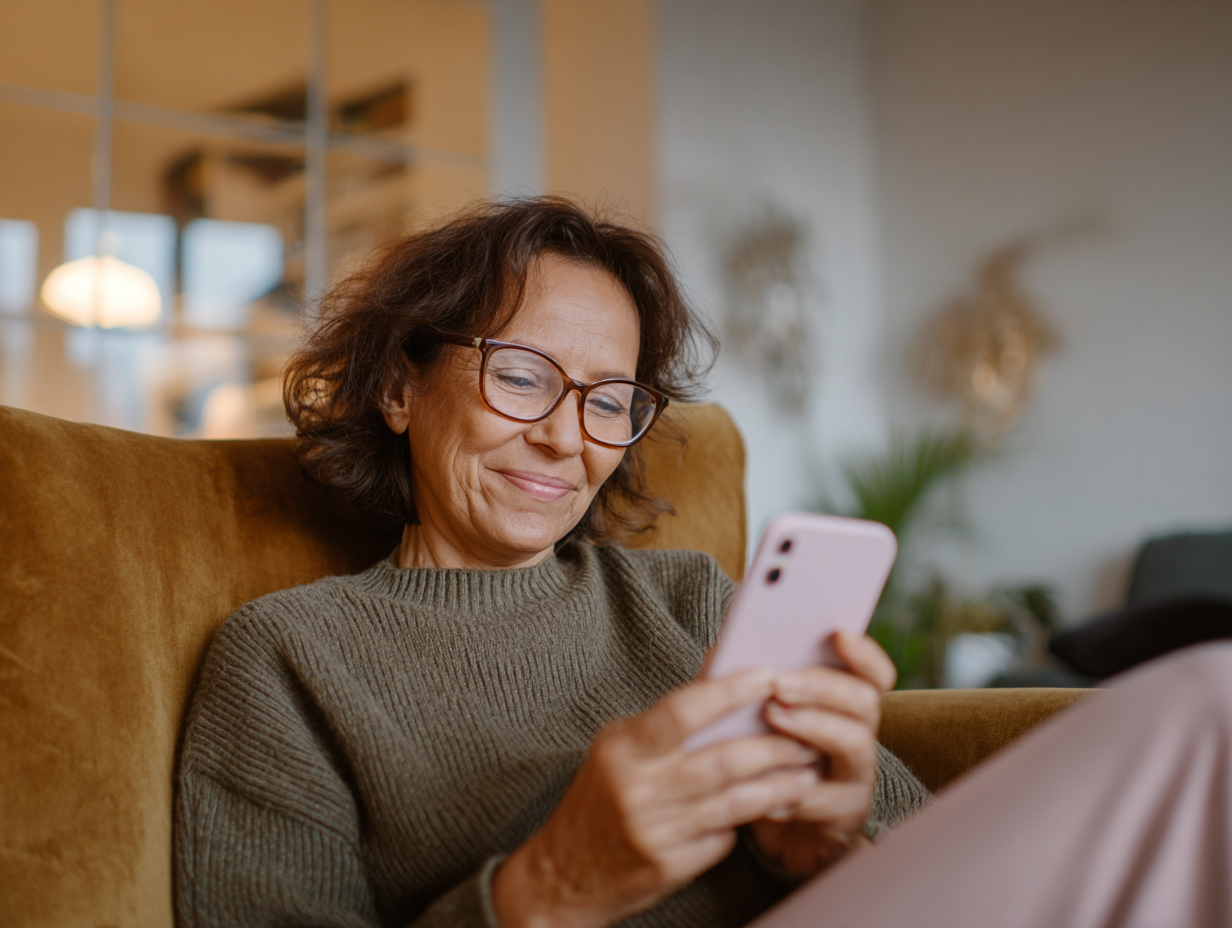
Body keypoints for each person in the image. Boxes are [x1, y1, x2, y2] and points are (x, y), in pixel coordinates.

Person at [175, 198, 1232, 928]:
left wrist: (816, 852)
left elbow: (934, 877)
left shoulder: (688, 599)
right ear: (400, 389)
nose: (565, 437)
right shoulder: (287, 658)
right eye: (523, 377)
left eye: (606, 400)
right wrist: (553, 884)